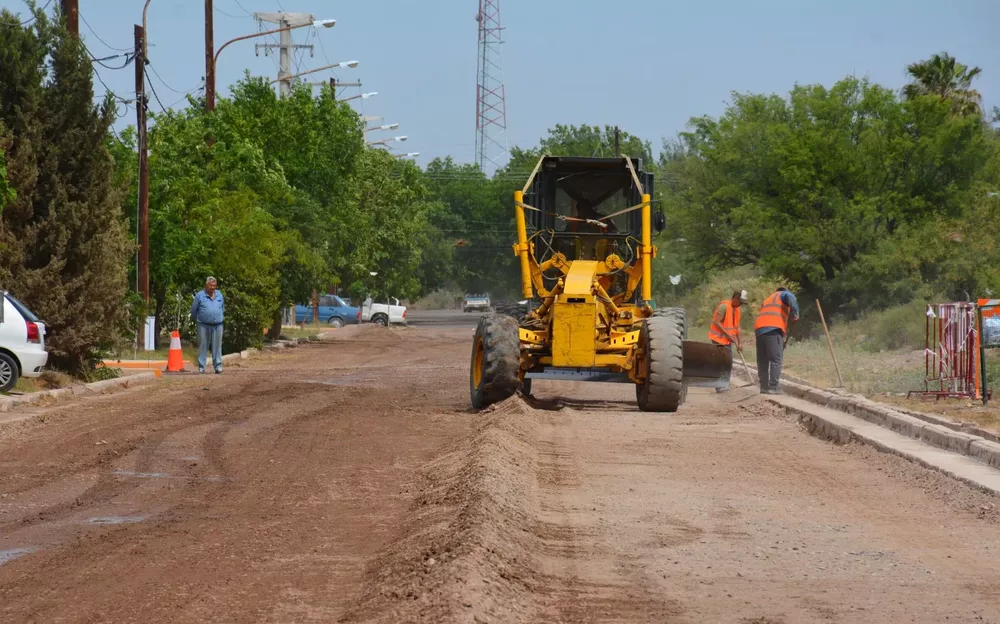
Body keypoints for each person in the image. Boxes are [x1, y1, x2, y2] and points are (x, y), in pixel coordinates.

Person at [754, 287, 800, 394]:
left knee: (763, 360)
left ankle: (764, 387)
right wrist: (795, 313)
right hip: (773, 329)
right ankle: (774, 387)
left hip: (760, 330)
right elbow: (790, 296)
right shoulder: (783, 294)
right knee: (776, 359)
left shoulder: (767, 299)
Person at [708, 289, 749, 392]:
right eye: (740, 302)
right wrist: (727, 334)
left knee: (728, 362)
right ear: (735, 298)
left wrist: (740, 343)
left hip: (727, 340)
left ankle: (724, 384)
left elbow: (737, 327)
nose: (741, 305)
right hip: (718, 339)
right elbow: (716, 322)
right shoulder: (724, 306)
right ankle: (720, 386)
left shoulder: (737, 310)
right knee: (721, 362)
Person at [190, 276, 225, 374]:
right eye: (211, 285)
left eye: (214, 285)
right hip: (203, 325)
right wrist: (200, 319)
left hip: (218, 325)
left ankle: (218, 366)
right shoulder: (199, 295)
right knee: (202, 346)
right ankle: (201, 367)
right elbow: (194, 310)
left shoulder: (219, 294)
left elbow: (222, 308)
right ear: (206, 285)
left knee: (217, 346)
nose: (213, 287)